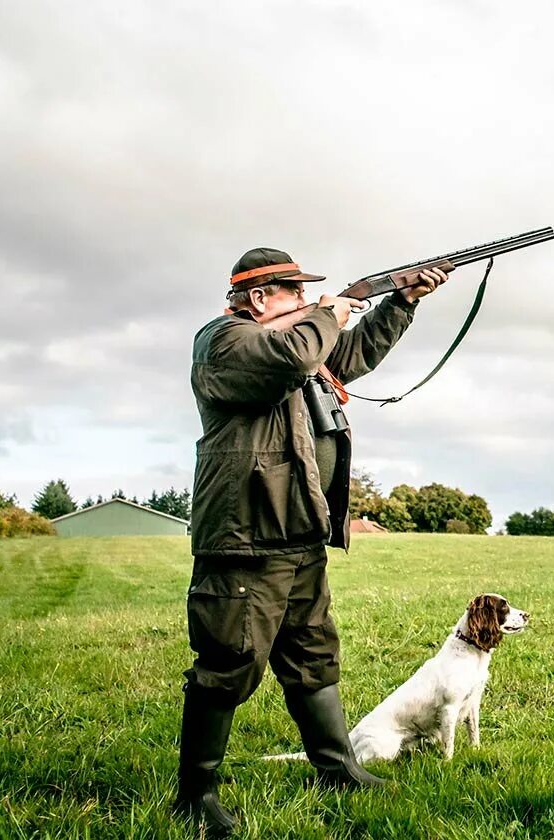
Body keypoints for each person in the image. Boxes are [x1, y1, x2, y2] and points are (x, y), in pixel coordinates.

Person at [172, 246, 447, 835]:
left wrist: (399, 302)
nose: (302, 299)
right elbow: (295, 356)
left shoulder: (298, 343)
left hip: (300, 534)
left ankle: (337, 768)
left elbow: (345, 355)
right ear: (260, 298)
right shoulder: (225, 343)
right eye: (293, 291)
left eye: (305, 292)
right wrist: (329, 310)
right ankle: (195, 795)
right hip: (246, 537)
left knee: (313, 657)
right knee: (228, 662)